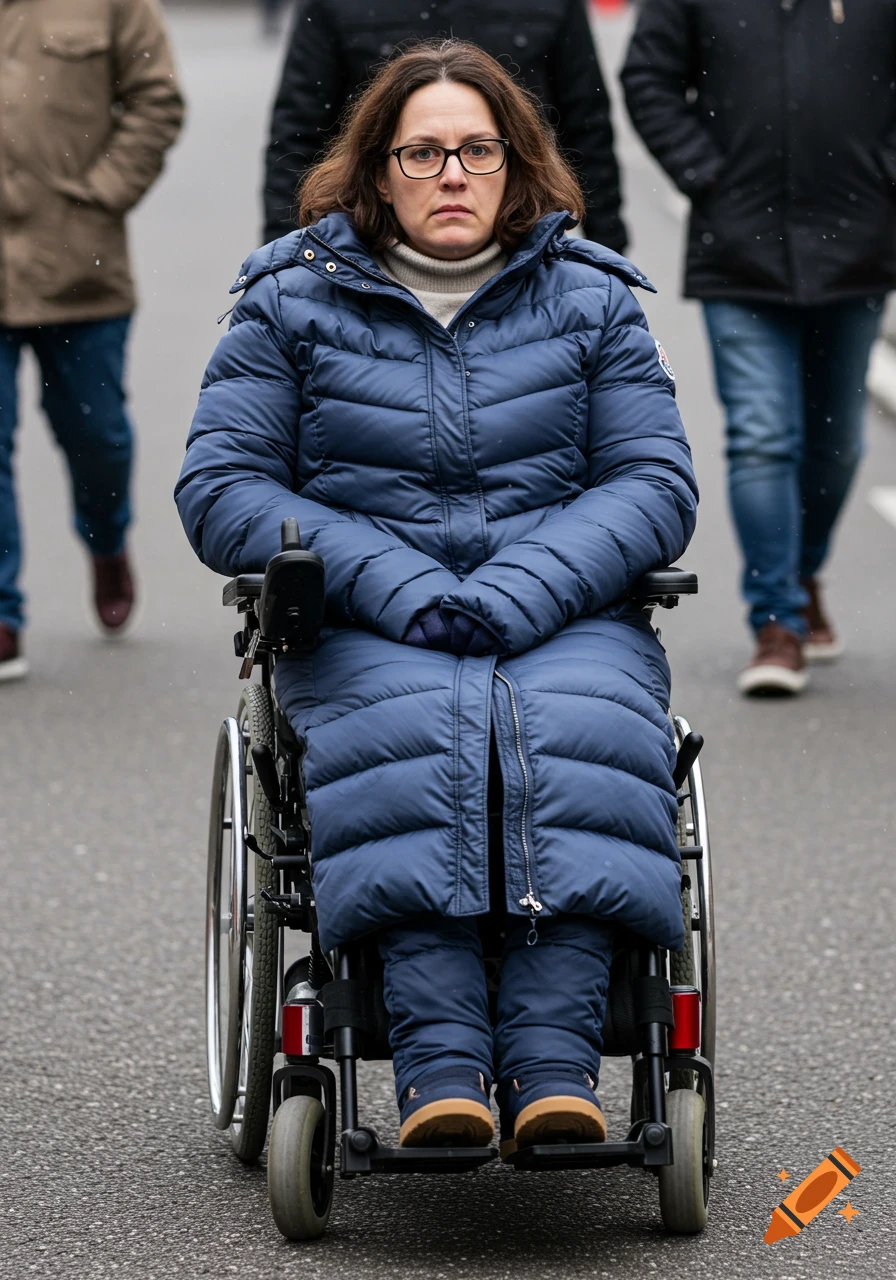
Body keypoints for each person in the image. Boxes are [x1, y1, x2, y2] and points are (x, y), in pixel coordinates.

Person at [177, 41, 696, 1152]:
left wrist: (514, 592)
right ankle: (442, 1067)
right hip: (371, 620)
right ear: (376, 170)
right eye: (422, 152)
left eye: (476, 150)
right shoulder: (287, 301)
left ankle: (556, 1068)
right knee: (417, 735)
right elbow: (223, 485)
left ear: (516, 166)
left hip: (559, 614)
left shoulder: (592, 297)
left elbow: (652, 481)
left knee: (571, 731)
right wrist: (399, 582)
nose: (451, 174)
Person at [622, 0, 895, 697]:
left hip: (858, 239)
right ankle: (776, 619)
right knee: (763, 433)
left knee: (838, 446)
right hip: (738, 249)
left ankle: (801, 576)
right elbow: (648, 78)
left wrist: (882, 173)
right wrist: (705, 175)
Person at [0, 0, 184, 683]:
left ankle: (107, 540)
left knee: (98, 435)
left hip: (79, 265)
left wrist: (102, 192)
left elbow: (156, 98)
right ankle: (2, 614)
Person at [263, 0, 626, 251]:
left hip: (521, 246)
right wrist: (285, 257)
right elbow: (298, 134)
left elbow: (586, 124)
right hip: (373, 250)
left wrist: (608, 249)